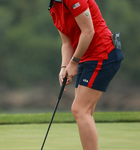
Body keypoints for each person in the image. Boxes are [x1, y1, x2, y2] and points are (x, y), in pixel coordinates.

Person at [48, 0, 123, 149]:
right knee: (85, 111)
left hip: (103, 53)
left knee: (79, 109)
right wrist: (64, 67)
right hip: (85, 56)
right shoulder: (53, 7)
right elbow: (67, 43)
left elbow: (89, 31)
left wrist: (74, 62)